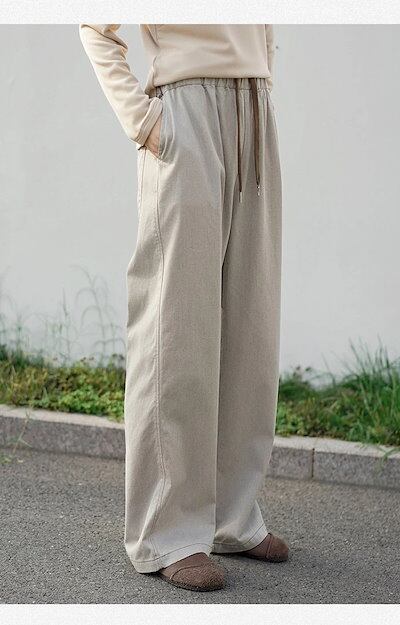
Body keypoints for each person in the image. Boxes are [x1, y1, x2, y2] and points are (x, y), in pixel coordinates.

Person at [79, 24, 287, 592]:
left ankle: (232, 517)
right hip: (185, 111)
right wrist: (143, 121)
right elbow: (95, 27)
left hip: (254, 111)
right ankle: (166, 532)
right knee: (176, 329)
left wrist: (262, 80)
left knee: (251, 327)